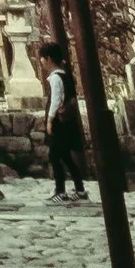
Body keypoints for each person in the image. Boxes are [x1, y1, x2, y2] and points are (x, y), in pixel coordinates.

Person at [42, 40, 89, 199]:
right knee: (66, 156)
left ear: (48, 58)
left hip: (58, 122)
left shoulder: (55, 78)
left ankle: (60, 190)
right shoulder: (66, 75)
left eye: (42, 58)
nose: (41, 61)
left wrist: (49, 120)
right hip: (67, 122)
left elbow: (56, 100)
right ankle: (79, 189)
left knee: (54, 156)